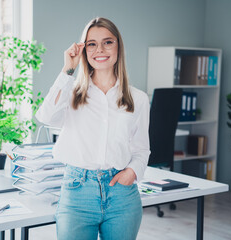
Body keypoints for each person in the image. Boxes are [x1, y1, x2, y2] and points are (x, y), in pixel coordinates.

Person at [36, 17, 150, 240]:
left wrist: (132, 172)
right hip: (78, 193)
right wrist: (68, 70)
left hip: (122, 195)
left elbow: (141, 149)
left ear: (118, 47)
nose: (100, 49)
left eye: (108, 42)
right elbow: (46, 116)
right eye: (91, 44)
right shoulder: (71, 93)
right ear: (84, 49)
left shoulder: (138, 99)